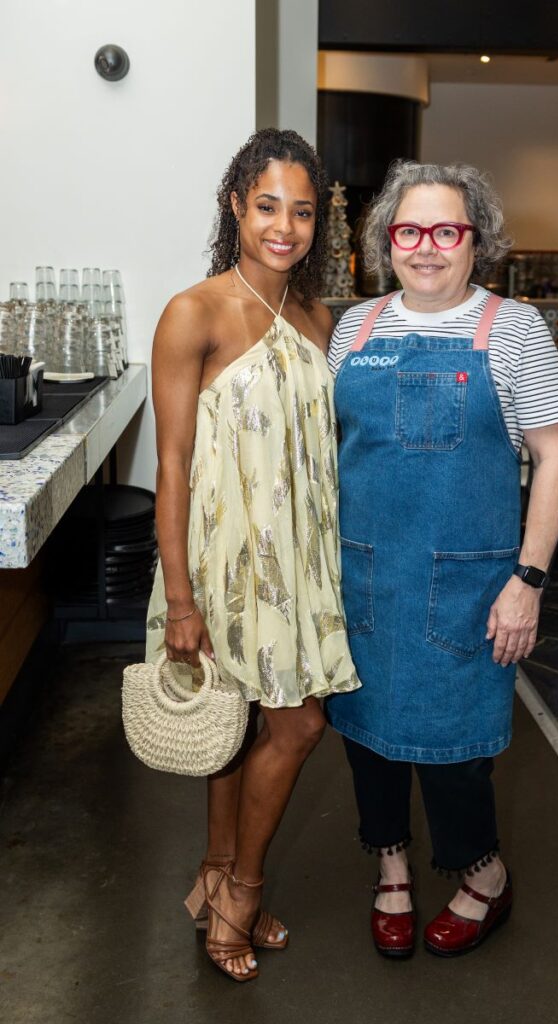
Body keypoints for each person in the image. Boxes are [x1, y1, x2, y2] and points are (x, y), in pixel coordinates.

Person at [326, 160, 558, 958]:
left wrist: (527, 582)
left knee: (455, 753)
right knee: (365, 737)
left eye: (446, 231)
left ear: (476, 242)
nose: (426, 248)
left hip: (467, 589)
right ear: (384, 242)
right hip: (362, 575)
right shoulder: (353, 329)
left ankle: (483, 877)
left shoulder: (513, 327)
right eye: (408, 231)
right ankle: (391, 869)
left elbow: (556, 457)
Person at [145, 128, 360, 983]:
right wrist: (181, 598)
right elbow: (168, 467)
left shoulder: (315, 317)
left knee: (254, 729)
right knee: (291, 724)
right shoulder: (193, 312)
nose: (285, 226)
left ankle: (216, 879)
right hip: (216, 566)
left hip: (296, 566)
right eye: (267, 205)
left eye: (301, 211)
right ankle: (242, 890)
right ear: (235, 205)